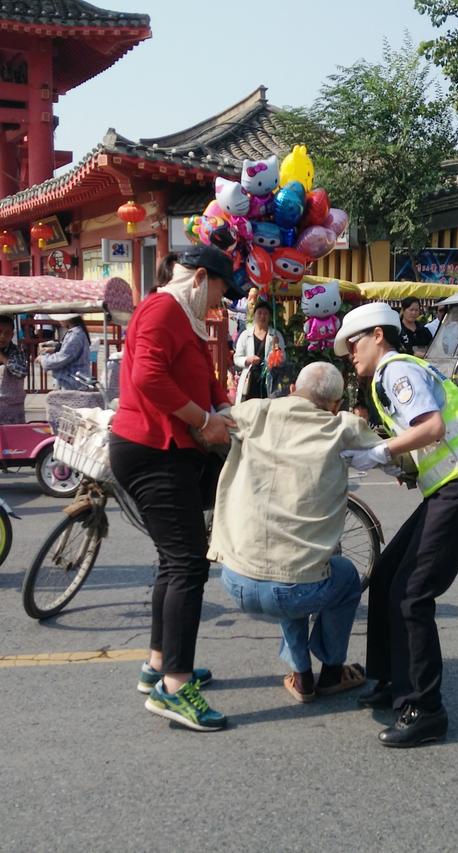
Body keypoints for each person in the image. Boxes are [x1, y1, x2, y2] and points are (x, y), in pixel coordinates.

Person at [334, 302, 458, 748]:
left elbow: (430, 427)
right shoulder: (389, 380)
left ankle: (425, 710)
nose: (350, 353)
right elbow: (426, 443)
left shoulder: (395, 370)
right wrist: (402, 467)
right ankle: (388, 679)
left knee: (412, 593)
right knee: (387, 573)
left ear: (376, 336)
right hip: (453, 483)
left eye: (353, 344)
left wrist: (380, 453)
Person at [109, 245, 246, 733]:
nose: (219, 302)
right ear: (201, 277)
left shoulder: (182, 317)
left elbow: (204, 381)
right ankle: (175, 687)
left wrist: (224, 408)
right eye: (219, 290)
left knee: (175, 561)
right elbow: (148, 378)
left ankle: (157, 667)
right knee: (188, 562)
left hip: (167, 451)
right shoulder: (163, 307)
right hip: (152, 451)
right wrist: (204, 420)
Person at [209, 362, 387, 704]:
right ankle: (332, 672)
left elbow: (211, 423)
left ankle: (302, 676)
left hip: (236, 582)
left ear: (292, 391)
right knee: (342, 575)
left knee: (288, 567)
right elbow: (393, 453)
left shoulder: (255, 412)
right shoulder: (343, 427)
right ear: (336, 404)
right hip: (291, 591)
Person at [233, 299, 285, 401]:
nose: (262, 316)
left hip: (269, 380)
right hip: (250, 381)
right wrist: (248, 360)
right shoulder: (245, 335)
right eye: (259, 313)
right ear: (254, 315)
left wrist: (276, 355)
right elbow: (237, 358)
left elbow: (283, 358)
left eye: (265, 313)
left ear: (270, 317)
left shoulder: (276, 335)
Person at [35, 313, 91, 390]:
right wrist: (53, 348)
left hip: (72, 383)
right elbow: (65, 348)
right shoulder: (76, 332)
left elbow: (61, 358)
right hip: (73, 382)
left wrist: (42, 359)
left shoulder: (75, 335)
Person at [0, 315, 28, 423]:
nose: (2, 336)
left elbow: (22, 372)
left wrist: (3, 359)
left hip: (10, 407)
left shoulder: (15, 351)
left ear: (12, 335)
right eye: (0, 331)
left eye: (6, 334)